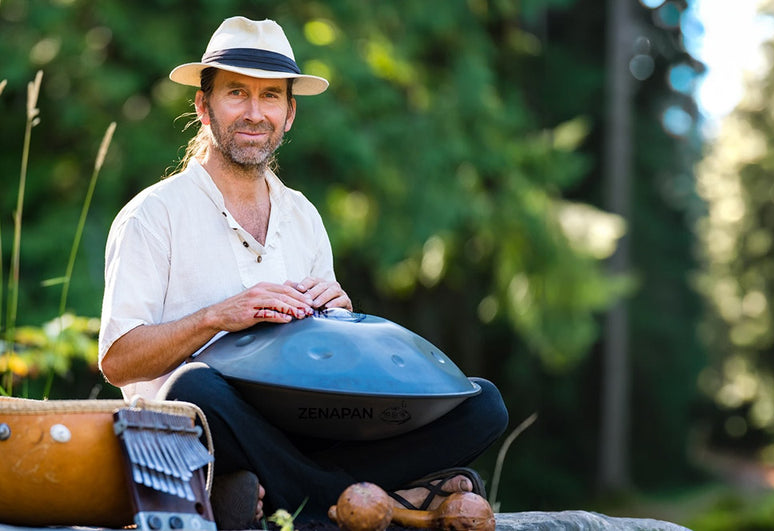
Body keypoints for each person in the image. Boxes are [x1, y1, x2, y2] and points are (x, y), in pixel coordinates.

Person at [99, 16, 508, 528]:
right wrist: (218, 317)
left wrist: (338, 322)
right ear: (204, 107)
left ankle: (290, 496)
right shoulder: (153, 214)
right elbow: (118, 362)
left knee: (483, 404)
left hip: (302, 427)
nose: (254, 113)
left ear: (289, 114)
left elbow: (322, 364)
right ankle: (368, 501)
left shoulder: (303, 216)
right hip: (202, 431)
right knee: (195, 388)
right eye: (236, 94)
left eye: (270, 96)